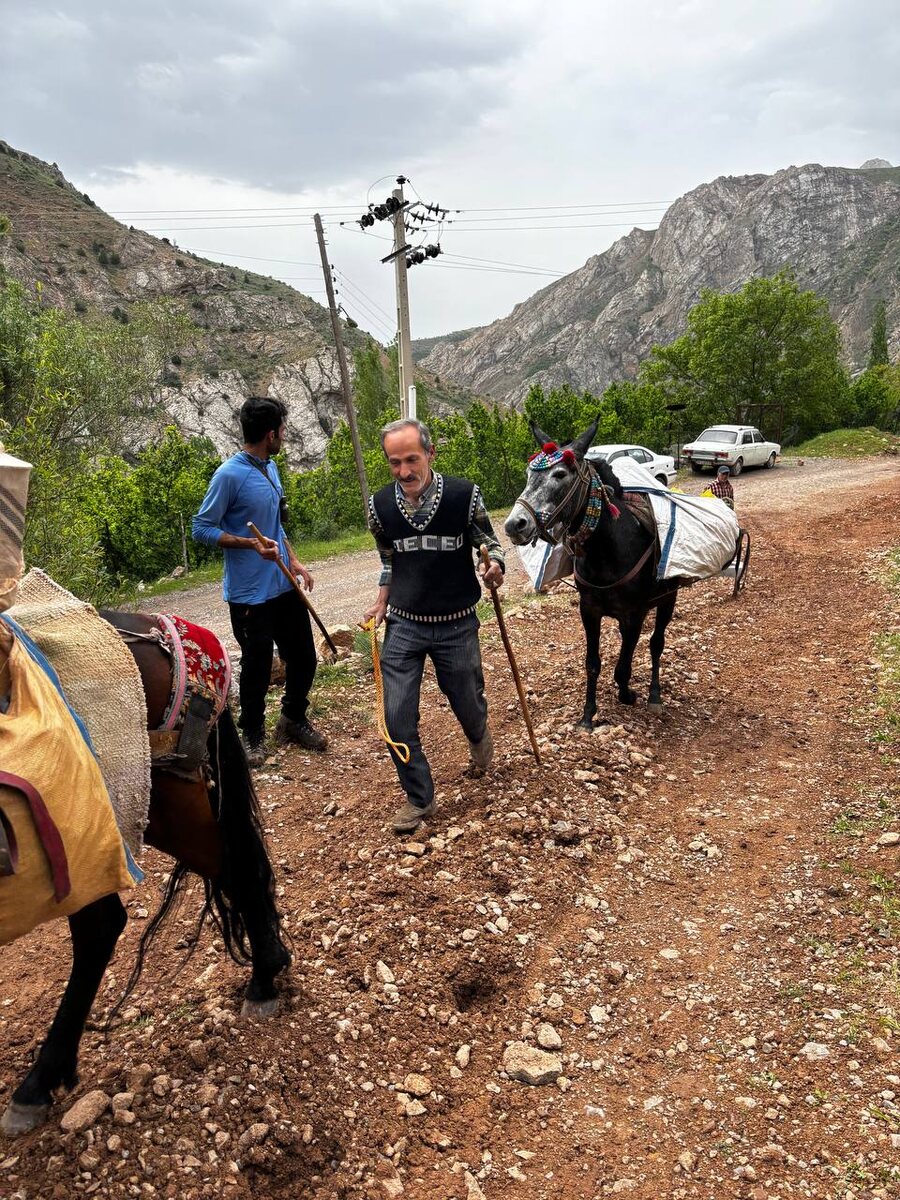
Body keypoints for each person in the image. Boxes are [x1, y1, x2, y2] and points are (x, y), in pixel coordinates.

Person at [364, 418, 505, 834]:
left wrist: (494, 565)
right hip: (404, 623)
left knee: (467, 702)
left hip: (456, 623)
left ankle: (479, 738)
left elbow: (489, 542)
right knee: (395, 716)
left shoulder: (464, 496)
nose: (404, 471)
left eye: (412, 459)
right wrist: (381, 600)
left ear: (430, 453)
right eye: (395, 463)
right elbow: (388, 559)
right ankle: (419, 799)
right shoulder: (379, 506)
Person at [192, 396, 327, 765]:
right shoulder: (229, 475)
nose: (284, 435)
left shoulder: (270, 468)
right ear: (271, 434)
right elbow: (201, 528)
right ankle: (252, 734)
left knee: (304, 657)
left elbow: (275, 526)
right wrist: (249, 543)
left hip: (282, 584)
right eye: (282, 429)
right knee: (257, 666)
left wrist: (294, 561)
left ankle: (292, 718)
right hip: (250, 594)